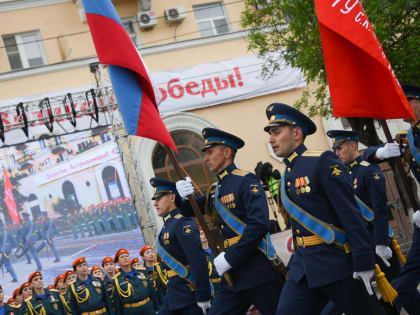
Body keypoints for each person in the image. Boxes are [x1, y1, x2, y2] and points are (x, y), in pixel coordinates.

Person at [262, 103, 381, 314]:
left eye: (276, 132)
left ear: (296, 133)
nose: (271, 139)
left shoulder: (322, 161)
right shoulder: (288, 171)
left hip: (336, 264)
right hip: (304, 269)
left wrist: (363, 258)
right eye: (271, 133)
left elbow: (349, 213)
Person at [176, 128, 283, 315]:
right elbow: (190, 209)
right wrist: (182, 197)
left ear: (226, 152)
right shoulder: (215, 189)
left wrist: (231, 257)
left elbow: (258, 225)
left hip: (256, 270)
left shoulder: (246, 181)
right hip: (232, 275)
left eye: (210, 152)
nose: (206, 158)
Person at [364, 84, 420, 314]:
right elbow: (367, 156)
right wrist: (381, 152)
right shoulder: (407, 138)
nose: (404, 110)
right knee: (411, 271)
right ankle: (387, 308)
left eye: (409, 103)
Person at [150, 178, 211, 315]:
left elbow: (198, 261)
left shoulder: (182, 224)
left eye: (159, 198)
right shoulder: (169, 225)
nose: (155, 203)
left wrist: (203, 296)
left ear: (172, 197)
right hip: (175, 297)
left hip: (189, 298)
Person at [112, 248, 158, 314]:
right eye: (122, 257)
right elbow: (117, 303)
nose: (125, 258)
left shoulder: (142, 271)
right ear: (118, 262)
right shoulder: (116, 280)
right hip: (131, 311)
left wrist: (157, 308)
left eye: (126, 256)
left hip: (148, 308)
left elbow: (152, 291)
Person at [198, 225, 222, 295]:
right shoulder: (200, 254)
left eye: (205, 232)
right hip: (213, 287)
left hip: (224, 282)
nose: (204, 235)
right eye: (201, 234)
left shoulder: (216, 249)